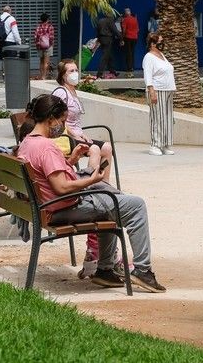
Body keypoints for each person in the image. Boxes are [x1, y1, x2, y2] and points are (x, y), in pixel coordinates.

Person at [16, 94, 166, 293]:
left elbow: (46, 177)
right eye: (62, 121)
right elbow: (61, 188)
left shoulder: (27, 143)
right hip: (62, 208)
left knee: (113, 202)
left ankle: (105, 270)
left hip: (47, 206)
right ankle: (142, 270)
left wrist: (71, 161)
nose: (62, 127)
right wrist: (93, 180)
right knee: (135, 205)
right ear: (51, 119)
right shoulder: (46, 147)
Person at [51, 58, 116, 279]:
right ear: (62, 75)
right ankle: (97, 186)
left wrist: (81, 133)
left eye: (76, 70)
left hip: (78, 135)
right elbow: (61, 122)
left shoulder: (74, 93)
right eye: (71, 71)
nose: (75, 73)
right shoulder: (61, 93)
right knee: (97, 151)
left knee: (106, 148)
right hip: (67, 138)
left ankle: (102, 184)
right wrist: (77, 135)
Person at [142, 33, 176, 156]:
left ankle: (165, 143)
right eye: (160, 41)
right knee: (158, 118)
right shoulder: (149, 57)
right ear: (152, 44)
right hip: (157, 90)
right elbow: (148, 75)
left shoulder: (162, 56)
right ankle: (155, 144)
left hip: (168, 90)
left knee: (167, 118)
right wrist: (151, 91)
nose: (162, 43)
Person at [33, 13, 55, 79]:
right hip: (48, 46)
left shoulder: (38, 27)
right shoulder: (50, 27)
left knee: (41, 62)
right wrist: (51, 45)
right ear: (47, 19)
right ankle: (44, 76)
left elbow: (35, 37)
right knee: (46, 62)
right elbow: (51, 37)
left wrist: (37, 45)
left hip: (40, 46)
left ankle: (41, 75)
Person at [121, 8, 139, 78]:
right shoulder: (135, 19)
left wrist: (122, 38)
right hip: (135, 38)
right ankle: (132, 67)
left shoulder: (125, 19)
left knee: (128, 53)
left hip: (128, 37)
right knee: (132, 52)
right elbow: (137, 29)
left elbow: (124, 30)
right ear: (130, 12)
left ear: (125, 13)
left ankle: (129, 68)